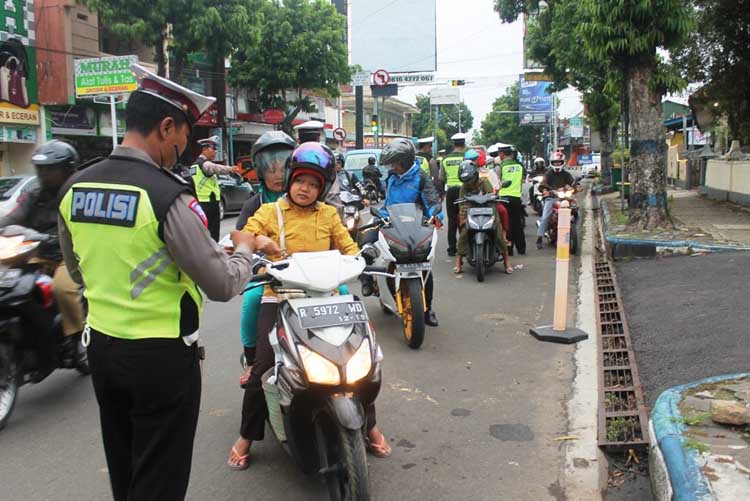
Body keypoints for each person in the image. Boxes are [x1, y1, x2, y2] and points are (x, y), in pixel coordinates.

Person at [57, 64, 257, 501]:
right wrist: (244, 248)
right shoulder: (165, 194)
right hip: (161, 359)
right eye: (181, 141)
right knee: (160, 479)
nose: (181, 153)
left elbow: (78, 270)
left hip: (104, 351)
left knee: (125, 467)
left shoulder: (76, 186)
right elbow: (222, 284)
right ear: (166, 126)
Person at [228, 142, 391, 470]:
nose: (306, 188)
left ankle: (369, 424)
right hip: (282, 295)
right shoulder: (268, 212)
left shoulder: (329, 214)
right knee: (263, 367)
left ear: (323, 187)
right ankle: (247, 435)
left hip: (326, 297)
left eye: (314, 183)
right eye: (301, 181)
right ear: (290, 179)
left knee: (359, 358)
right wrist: (258, 243)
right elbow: (239, 237)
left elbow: (347, 246)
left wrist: (362, 254)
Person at [0, 140, 86, 374]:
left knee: (63, 289)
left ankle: (80, 337)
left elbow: (80, 230)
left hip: (66, 256)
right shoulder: (34, 194)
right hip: (35, 253)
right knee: (8, 281)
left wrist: (55, 241)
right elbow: (12, 218)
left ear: (67, 168)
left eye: (51, 169)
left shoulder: (76, 193)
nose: (45, 174)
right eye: (42, 169)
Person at [234, 130, 296, 387]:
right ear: (260, 171)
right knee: (251, 302)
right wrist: (256, 261)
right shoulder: (254, 204)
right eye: (271, 170)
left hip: (306, 275)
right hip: (266, 274)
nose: (278, 175)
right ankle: (252, 360)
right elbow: (239, 238)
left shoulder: (304, 199)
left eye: (283, 168)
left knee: (345, 291)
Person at [358, 138, 443, 327]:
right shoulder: (392, 177)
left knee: (423, 267)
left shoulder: (420, 177)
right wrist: (380, 215)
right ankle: (367, 280)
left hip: (415, 225)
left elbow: (431, 202)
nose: (392, 167)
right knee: (364, 243)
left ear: (404, 162)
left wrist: (436, 217)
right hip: (391, 221)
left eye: (394, 163)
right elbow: (389, 203)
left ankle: (427, 309)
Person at [453, 160, 512, 275]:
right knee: (464, 234)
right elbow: (462, 205)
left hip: (488, 210)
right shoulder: (463, 187)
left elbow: (492, 196)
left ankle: (507, 262)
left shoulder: (484, 182)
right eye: (465, 181)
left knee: (498, 232)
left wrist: (492, 198)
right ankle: (458, 261)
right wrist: (463, 216)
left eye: (469, 180)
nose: (468, 183)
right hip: (471, 211)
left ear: (475, 175)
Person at [190, 135, 237, 241]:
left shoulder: (194, 165)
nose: (215, 152)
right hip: (209, 204)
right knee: (212, 234)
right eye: (213, 149)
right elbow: (215, 168)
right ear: (205, 149)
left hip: (200, 203)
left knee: (202, 233)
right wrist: (230, 169)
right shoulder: (204, 164)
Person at [536, 151, 576, 249]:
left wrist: (576, 186)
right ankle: (539, 238)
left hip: (564, 198)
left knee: (575, 208)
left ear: (563, 162)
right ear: (551, 163)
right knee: (545, 217)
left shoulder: (566, 174)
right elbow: (543, 184)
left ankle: (572, 226)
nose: (557, 164)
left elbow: (573, 182)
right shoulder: (548, 174)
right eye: (555, 162)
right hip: (551, 198)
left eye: (559, 162)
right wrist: (545, 190)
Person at [495, 143, 526, 255]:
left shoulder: (501, 166)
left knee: (506, 224)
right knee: (517, 223)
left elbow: (496, 183)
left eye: (499, 153)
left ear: (502, 154)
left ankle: (509, 249)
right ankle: (521, 249)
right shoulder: (519, 166)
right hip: (517, 198)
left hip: (504, 198)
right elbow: (521, 182)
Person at [442, 133, 468, 256]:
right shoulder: (466, 158)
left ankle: (452, 248)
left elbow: (441, 177)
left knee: (452, 220)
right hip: (464, 190)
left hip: (451, 191)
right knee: (465, 217)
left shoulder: (445, 159)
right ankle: (465, 246)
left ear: (453, 144)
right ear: (464, 144)